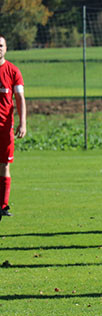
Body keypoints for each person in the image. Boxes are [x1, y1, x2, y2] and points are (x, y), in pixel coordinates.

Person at [0, 34, 26, 221]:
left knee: (4, 165)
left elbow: (20, 99)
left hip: (5, 128)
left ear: (6, 48)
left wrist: (22, 122)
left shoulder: (13, 71)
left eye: (1, 45)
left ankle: (3, 204)